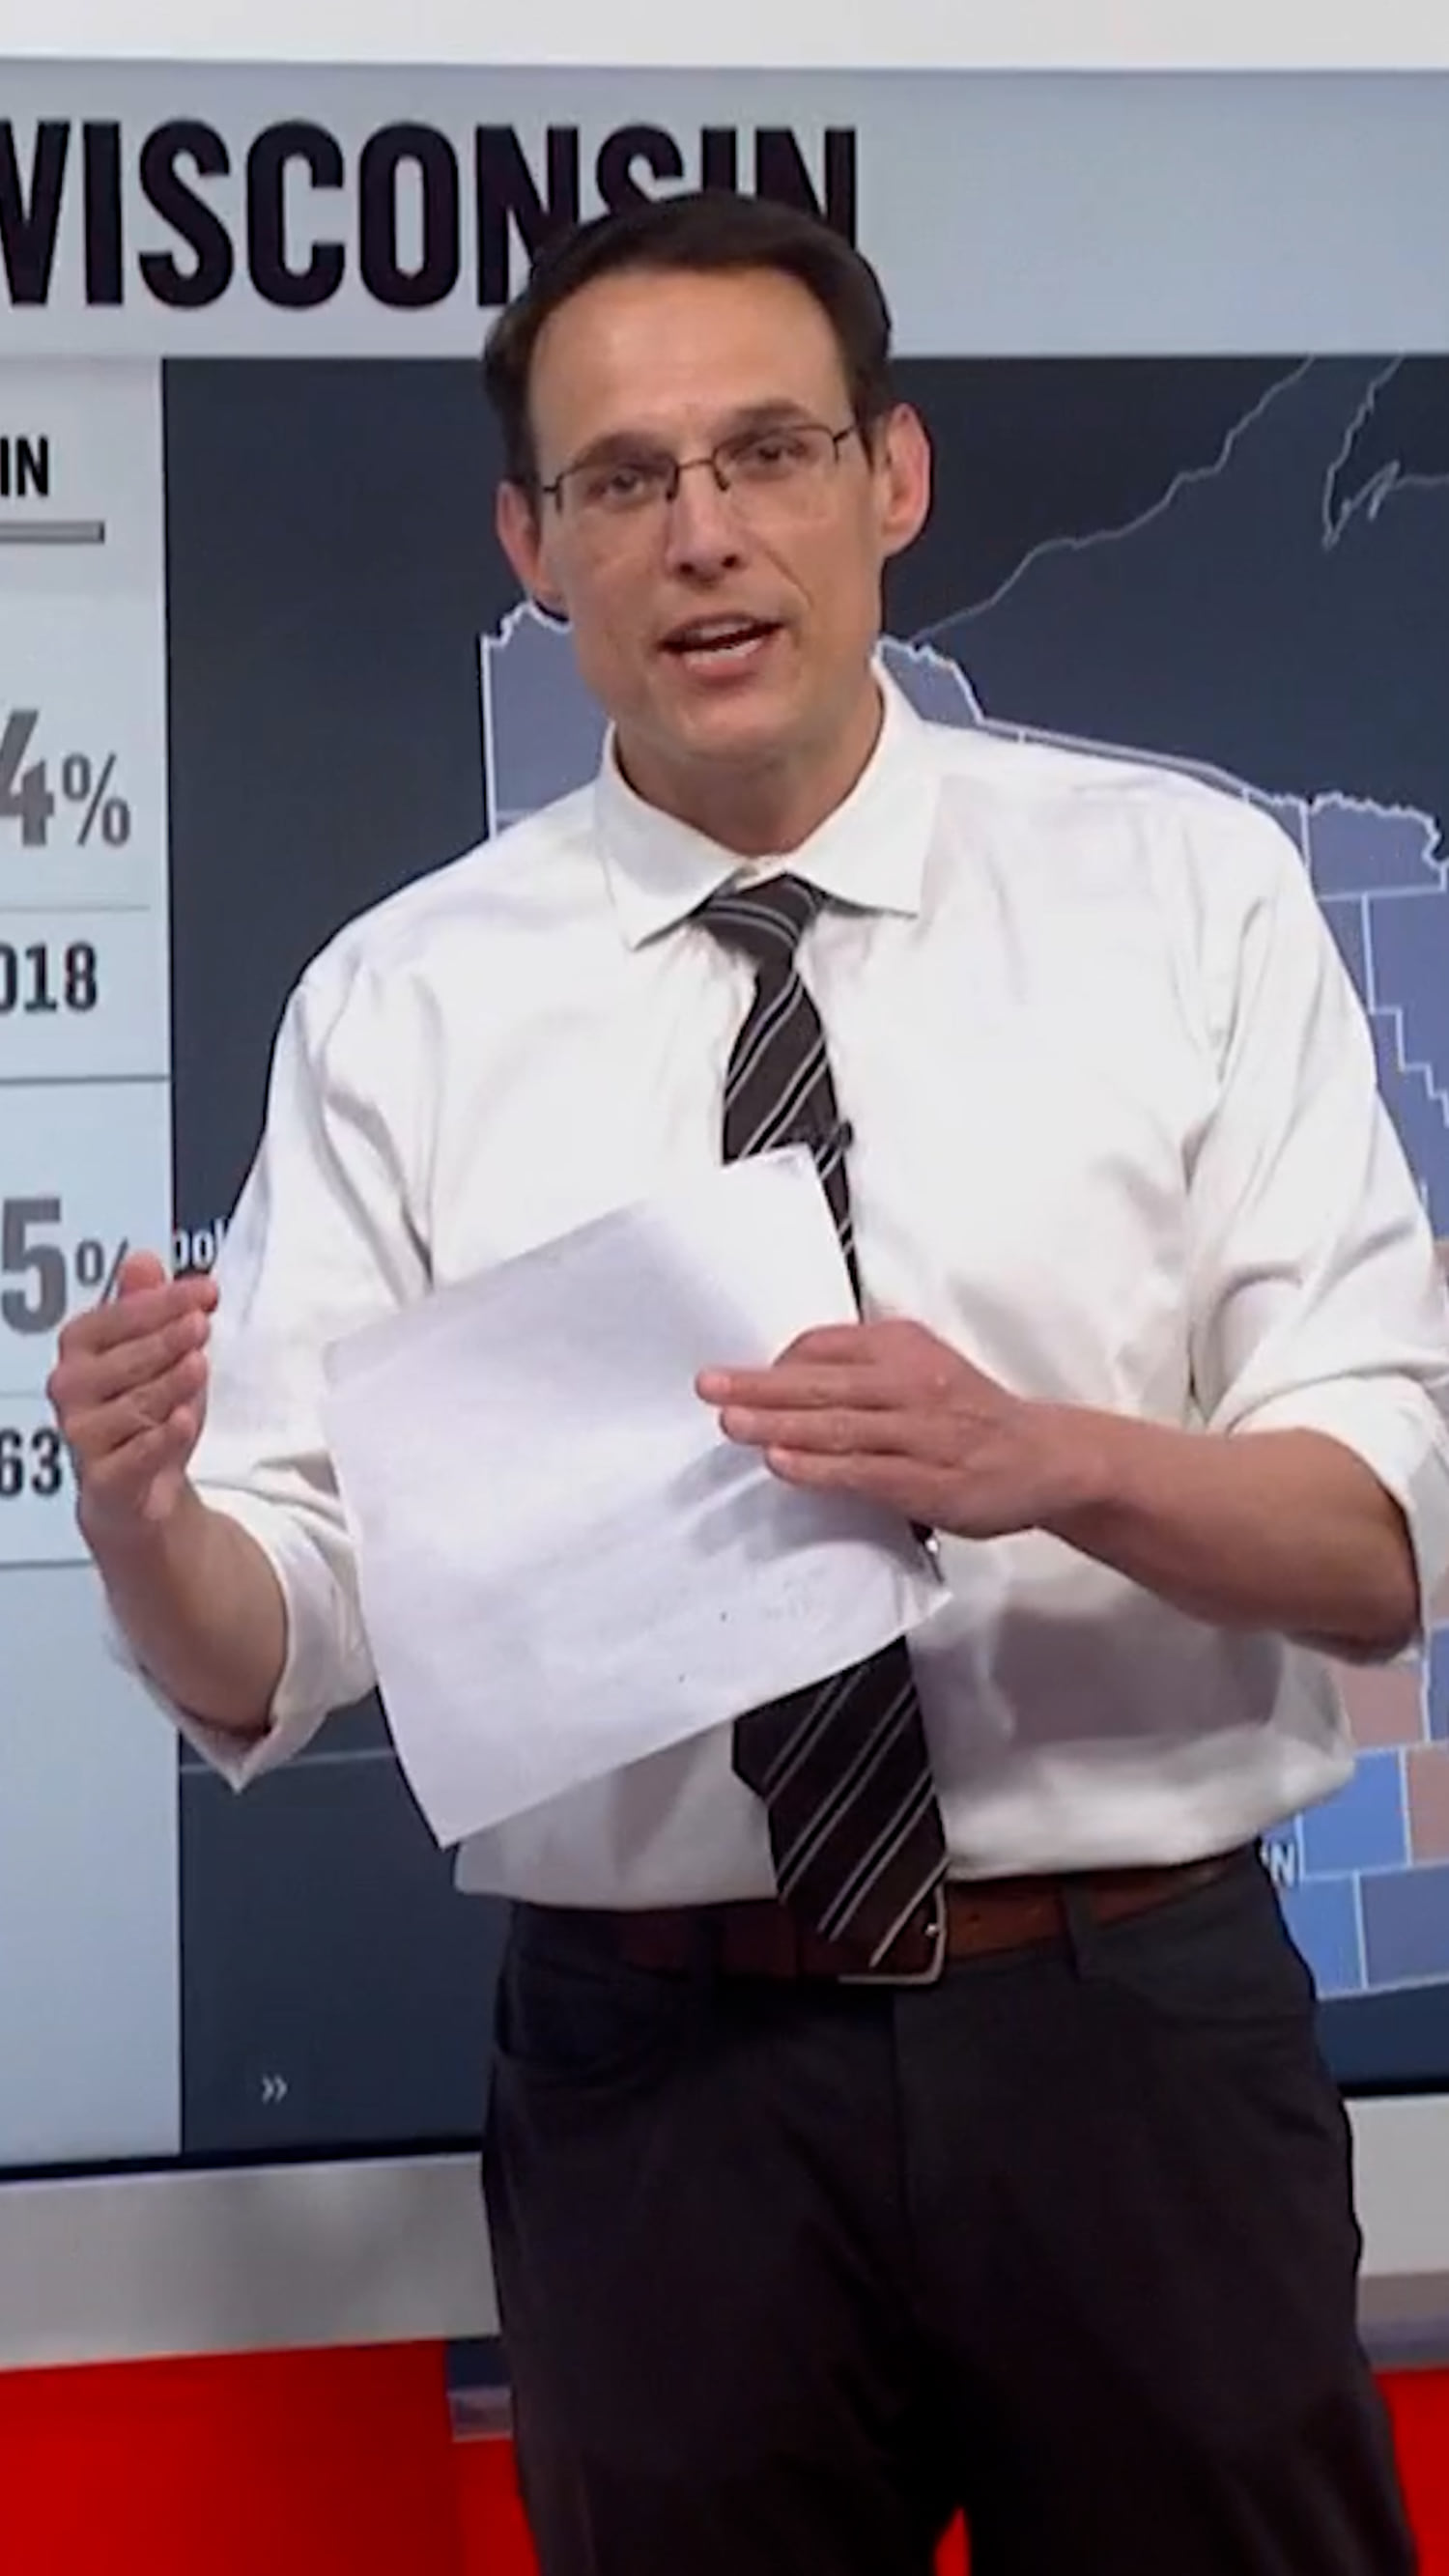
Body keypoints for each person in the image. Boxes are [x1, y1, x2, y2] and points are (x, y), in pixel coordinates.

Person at [47, 189, 1449, 2576]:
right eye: (622, 479)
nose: (701, 535)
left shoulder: (1186, 895)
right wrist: (144, 1521)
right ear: (532, 544)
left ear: (891, 477)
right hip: (657, 2085)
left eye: (767, 452)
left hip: (1126, 2029)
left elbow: (1380, 1540)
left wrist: (1047, 1461)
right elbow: (284, 1629)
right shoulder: (406, 1003)